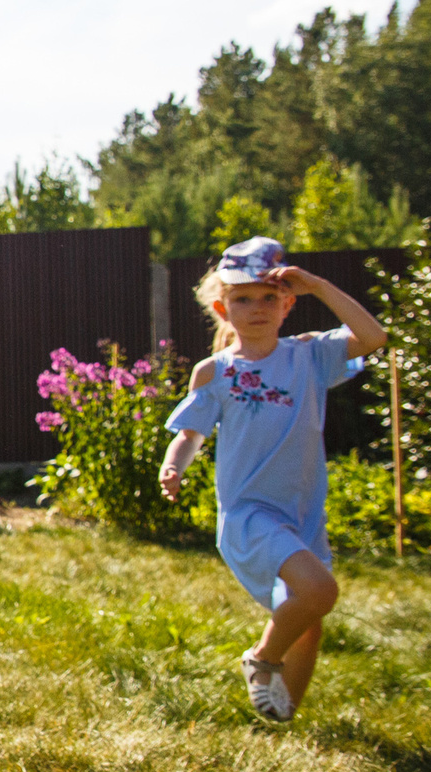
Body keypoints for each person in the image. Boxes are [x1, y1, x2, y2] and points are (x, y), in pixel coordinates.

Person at [158, 236, 386, 723]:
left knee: (308, 622)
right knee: (321, 592)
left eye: (268, 297)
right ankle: (261, 660)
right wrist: (174, 463)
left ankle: (283, 720)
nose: (256, 308)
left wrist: (318, 285)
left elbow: (372, 337)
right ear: (223, 307)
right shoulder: (214, 371)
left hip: (301, 515)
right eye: (242, 298)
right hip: (248, 515)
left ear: (286, 305)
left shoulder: (309, 356)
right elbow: (190, 433)